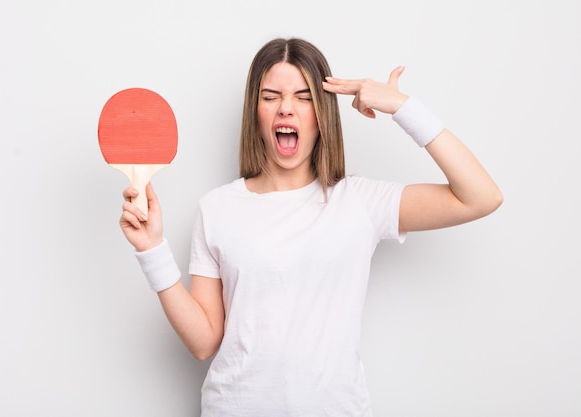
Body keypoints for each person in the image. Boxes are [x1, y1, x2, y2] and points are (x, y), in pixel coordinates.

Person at [119, 38, 503, 417]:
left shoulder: (360, 201)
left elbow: (480, 196)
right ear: (255, 111)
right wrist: (153, 250)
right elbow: (203, 343)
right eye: (270, 97)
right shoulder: (217, 208)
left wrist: (401, 107)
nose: (286, 108)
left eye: (304, 97)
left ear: (322, 114)